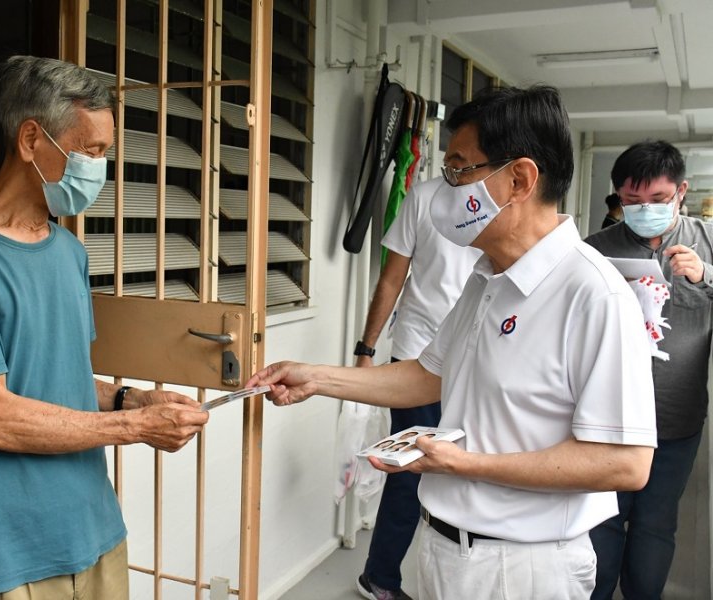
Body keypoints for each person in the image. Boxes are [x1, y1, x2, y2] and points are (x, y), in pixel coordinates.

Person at [247, 85, 657, 600]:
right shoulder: (487, 277)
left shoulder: (594, 295)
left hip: (521, 567)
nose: (446, 190)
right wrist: (317, 378)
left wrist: (465, 464)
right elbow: (428, 375)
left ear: (519, 179)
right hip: (444, 547)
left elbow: (626, 462)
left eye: (459, 170)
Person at [0, 56, 209, 599]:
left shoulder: (69, 252)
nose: (99, 167)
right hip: (9, 552)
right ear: (31, 139)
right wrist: (137, 428)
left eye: (104, 153)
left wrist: (130, 400)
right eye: (90, 151)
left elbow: (60, 377)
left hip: (95, 529)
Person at [585, 140, 713, 600]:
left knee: (655, 523)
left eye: (658, 199)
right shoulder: (595, 250)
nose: (645, 210)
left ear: (681, 191)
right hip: (608, 416)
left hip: (676, 415)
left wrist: (706, 276)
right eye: (632, 200)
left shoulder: (707, 240)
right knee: (602, 520)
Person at [353, 177, 480, 600]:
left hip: (478, 357)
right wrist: (367, 348)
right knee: (410, 471)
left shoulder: (506, 199)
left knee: (472, 466)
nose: (456, 168)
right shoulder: (424, 197)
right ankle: (381, 577)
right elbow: (392, 278)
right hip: (417, 352)